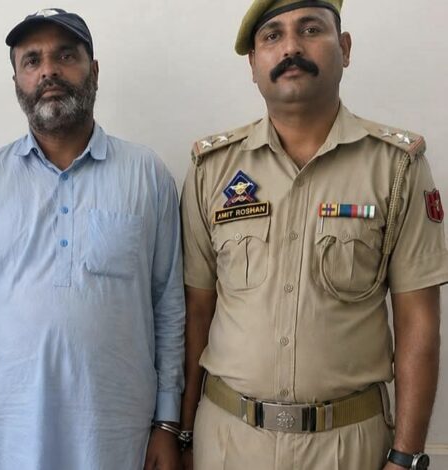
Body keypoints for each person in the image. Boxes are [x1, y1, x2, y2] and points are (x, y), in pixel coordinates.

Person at [179, 1, 447, 469]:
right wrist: (181, 435)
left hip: (348, 447)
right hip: (227, 442)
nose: (291, 48)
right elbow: (195, 313)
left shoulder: (396, 167)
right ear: (253, 65)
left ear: (344, 48)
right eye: (272, 36)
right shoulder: (211, 170)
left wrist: (405, 456)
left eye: (309, 29)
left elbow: (418, 319)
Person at [0, 8, 185, 470]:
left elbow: (168, 306)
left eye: (65, 55)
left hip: (116, 437)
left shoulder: (146, 175)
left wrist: (168, 424)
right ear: (17, 80)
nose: (48, 71)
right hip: (1, 438)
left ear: (95, 70)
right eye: (31, 60)